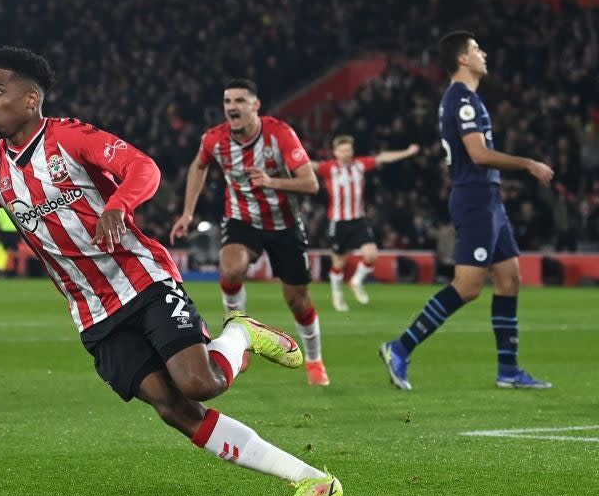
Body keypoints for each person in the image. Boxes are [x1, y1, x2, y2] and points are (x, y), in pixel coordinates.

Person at [0, 47, 342, 496]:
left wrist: (118, 205)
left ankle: (240, 333)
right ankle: (311, 481)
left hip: (141, 279)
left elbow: (143, 168)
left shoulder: (68, 137)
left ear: (30, 99)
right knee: (174, 411)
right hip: (92, 312)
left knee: (198, 383)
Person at [380, 32, 554, 390]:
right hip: (474, 197)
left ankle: (508, 371)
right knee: (469, 285)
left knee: (509, 279)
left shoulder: (468, 99)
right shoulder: (461, 101)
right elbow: (478, 154)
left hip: (488, 198)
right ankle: (400, 347)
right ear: (462, 59)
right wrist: (527, 163)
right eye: (476, 49)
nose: (483, 53)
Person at [171, 79, 329, 387]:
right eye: (228, 101)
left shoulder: (280, 134)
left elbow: (311, 183)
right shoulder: (215, 139)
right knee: (230, 269)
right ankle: (238, 339)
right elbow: (198, 166)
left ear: (255, 106)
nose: (232, 107)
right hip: (242, 220)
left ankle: (315, 360)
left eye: (240, 101)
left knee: (298, 300)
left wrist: (272, 182)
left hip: (284, 224)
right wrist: (188, 211)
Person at [313, 136, 420, 311]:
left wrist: (407, 152)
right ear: (335, 152)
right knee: (339, 262)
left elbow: (383, 157)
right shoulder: (329, 168)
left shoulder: (359, 165)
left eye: (349, 150)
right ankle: (337, 296)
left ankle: (356, 281)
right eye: (343, 150)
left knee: (371, 254)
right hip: (338, 222)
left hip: (358, 220)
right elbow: (311, 165)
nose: (347, 153)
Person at [0, 207, 20, 277]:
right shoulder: (1, 209)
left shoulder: (15, 207)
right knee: (2, 252)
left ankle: (12, 271)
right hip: (4, 233)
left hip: (15, 233)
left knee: (14, 253)